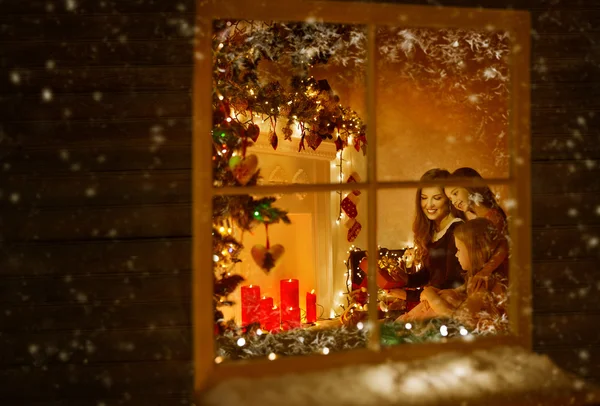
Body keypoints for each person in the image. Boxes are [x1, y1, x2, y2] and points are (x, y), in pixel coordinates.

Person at [398, 218, 508, 331]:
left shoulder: (482, 285)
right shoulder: (474, 279)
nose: (456, 255)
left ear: (476, 252)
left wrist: (431, 296)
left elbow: (459, 319)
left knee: (445, 299)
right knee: (446, 296)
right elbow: (458, 291)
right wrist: (433, 292)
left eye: (459, 250)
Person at [386, 168, 465, 303]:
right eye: (424, 198)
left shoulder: (457, 229)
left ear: (449, 199)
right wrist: (407, 279)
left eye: (437, 198)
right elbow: (431, 272)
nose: (429, 205)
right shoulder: (434, 229)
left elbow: (453, 283)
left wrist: (409, 296)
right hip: (434, 301)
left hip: (449, 304)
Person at [445, 167, 509, 290]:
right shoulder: (476, 220)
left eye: (455, 193)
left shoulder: (492, 216)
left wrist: (485, 271)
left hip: (496, 279)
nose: (453, 201)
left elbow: (503, 247)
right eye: (450, 199)